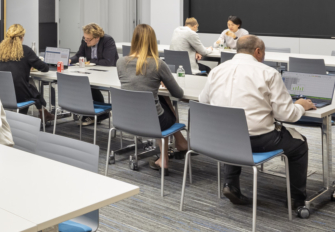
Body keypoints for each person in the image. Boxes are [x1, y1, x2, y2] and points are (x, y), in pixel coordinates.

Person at [198, 35, 314, 210]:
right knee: (299, 144)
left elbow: (203, 100)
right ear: (258, 51)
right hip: (259, 141)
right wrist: (301, 106)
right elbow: (286, 115)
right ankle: (296, 199)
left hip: (222, 140)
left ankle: (231, 184)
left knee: (233, 131)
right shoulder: (268, 73)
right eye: (264, 52)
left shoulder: (217, 70)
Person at [117, 24, 187, 172]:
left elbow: (134, 85)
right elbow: (178, 94)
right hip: (154, 121)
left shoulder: (121, 62)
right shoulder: (158, 63)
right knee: (164, 102)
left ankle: (180, 143)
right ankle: (165, 158)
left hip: (126, 118)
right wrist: (162, 81)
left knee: (159, 100)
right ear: (153, 41)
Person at [0, 24, 53, 124]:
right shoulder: (25, 50)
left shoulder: (1, 50)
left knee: (29, 86)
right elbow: (44, 68)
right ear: (22, 37)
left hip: (3, 93)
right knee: (31, 90)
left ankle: (40, 113)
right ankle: (39, 114)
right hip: (19, 94)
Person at [70, 23, 118, 124]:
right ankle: (93, 112)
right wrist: (70, 60)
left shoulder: (107, 40)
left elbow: (108, 62)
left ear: (97, 38)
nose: (86, 41)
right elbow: (79, 55)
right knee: (82, 83)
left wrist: (89, 62)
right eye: (85, 38)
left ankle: (97, 113)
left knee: (88, 84)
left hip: (108, 72)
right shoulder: (86, 40)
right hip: (92, 71)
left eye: (89, 39)